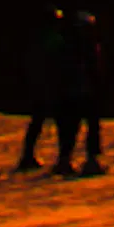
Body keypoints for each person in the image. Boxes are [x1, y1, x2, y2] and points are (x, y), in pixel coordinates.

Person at [54, 10, 109, 175]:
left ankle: (64, 160)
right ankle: (91, 161)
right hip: (86, 92)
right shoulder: (89, 45)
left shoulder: (66, 44)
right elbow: (94, 69)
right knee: (92, 126)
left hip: (69, 92)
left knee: (70, 127)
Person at [16, 10, 71, 174]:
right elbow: (59, 63)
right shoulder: (55, 40)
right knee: (62, 123)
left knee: (37, 121)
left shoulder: (36, 40)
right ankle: (63, 159)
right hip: (52, 86)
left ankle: (27, 155)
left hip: (39, 86)